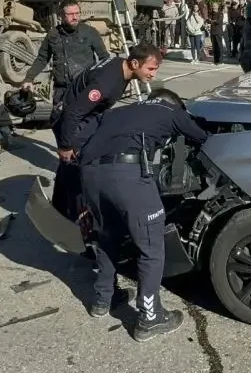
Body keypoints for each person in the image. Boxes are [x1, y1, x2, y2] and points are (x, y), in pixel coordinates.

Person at [80, 87, 208, 341]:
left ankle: (102, 300)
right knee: (151, 246)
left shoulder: (118, 112)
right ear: (174, 104)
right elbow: (202, 137)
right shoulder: (170, 110)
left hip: (89, 176)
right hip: (127, 176)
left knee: (107, 236)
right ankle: (150, 318)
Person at [51, 43, 164, 228]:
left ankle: (59, 211)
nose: (153, 74)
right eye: (150, 69)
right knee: (78, 173)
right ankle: (78, 223)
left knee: (67, 170)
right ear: (135, 63)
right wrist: (65, 145)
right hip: (70, 120)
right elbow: (74, 112)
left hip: (81, 117)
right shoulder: (108, 82)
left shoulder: (120, 65)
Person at [23, 0, 110, 101]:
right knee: (58, 116)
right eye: (70, 14)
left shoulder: (90, 32)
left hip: (85, 87)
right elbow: (42, 59)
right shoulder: (53, 34)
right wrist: (29, 79)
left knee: (85, 116)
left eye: (77, 13)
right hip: (61, 90)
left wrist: (103, 82)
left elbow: (105, 58)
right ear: (61, 15)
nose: (75, 17)